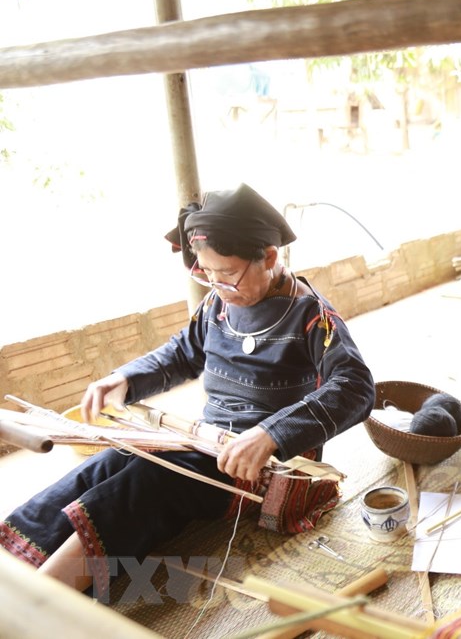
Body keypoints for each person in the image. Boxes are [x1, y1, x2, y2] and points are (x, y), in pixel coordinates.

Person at [0, 183, 375, 599]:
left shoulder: (312, 317)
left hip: (259, 467)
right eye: (206, 274)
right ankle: (13, 562)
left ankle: (39, 602)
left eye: (227, 274)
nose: (217, 286)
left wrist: (271, 434)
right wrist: (123, 379)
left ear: (269, 257)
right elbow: (183, 353)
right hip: (206, 439)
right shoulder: (218, 302)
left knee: (148, 482)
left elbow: (356, 387)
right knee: (113, 461)